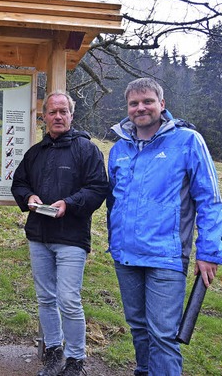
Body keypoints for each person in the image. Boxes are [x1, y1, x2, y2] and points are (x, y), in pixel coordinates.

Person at [107, 77, 222, 376]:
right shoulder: (119, 148)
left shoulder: (187, 142)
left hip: (165, 257)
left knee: (163, 336)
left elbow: (209, 200)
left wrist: (209, 251)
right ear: (127, 108)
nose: (140, 108)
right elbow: (114, 200)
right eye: (134, 103)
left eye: (147, 101)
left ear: (162, 104)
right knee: (139, 329)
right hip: (126, 255)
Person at [11, 90, 109, 376]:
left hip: (71, 238)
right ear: (44, 117)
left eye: (63, 111)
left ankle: (76, 360)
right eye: (52, 112)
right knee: (45, 297)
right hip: (38, 236)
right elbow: (19, 184)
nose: (58, 116)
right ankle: (53, 352)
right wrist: (28, 197)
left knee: (68, 298)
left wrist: (69, 203)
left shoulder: (86, 149)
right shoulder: (35, 153)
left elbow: (97, 189)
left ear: (71, 115)